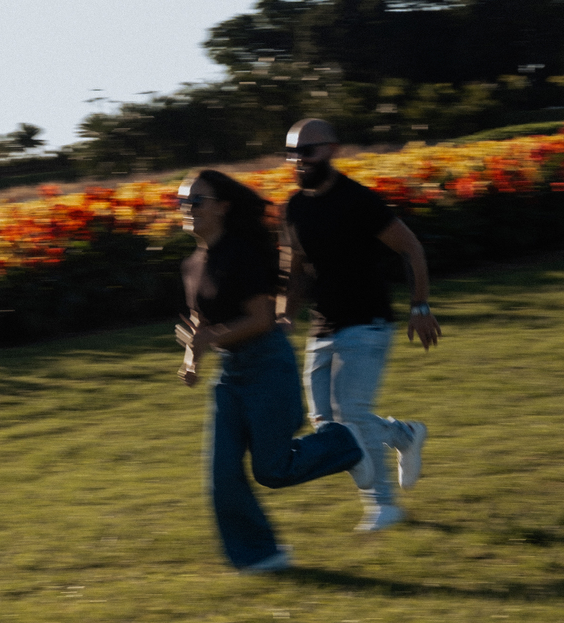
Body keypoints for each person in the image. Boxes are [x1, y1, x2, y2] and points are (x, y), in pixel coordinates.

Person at [176, 169, 373, 573]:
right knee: (222, 476)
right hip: (230, 377)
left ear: (222, 207)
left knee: (274, 468)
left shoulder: (241, 254)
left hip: (266, 365)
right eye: (181, 201)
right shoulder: (192, 265)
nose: (187, 208)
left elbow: (262, 319)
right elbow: (200, 320)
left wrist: (208, 339)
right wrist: (191, 361)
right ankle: (261, 555)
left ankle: (345, 443)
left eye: (196, 200)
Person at [279, 118, 441, 532]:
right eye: (292, 153)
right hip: (322, 326)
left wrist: (420, 306)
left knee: (351, 412)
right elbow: (295, 268)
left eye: (307, 151)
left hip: (367, 322)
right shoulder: (294, 207)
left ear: (332, 148)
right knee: (327, 424)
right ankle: (403, 435)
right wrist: (285, 313)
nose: (299, 160)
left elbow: (411, 248)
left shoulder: (358, 201)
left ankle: (383, 507)